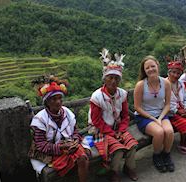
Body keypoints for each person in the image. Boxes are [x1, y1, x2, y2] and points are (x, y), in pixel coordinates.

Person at [88, 48, 138, 182]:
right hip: (101, 130)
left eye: (116, 78)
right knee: (118, 149)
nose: (113, 81)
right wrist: (111, 133)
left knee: (132, 144)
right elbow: (96, 120)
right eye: (110, 78)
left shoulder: (122, 94)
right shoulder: (97, 97)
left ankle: (129, 167)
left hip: (117, 128)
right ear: (105, 79)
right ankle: (114, 172)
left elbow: (126, 115)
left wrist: (121, 130)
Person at [28, 76, 91, 182]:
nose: (58, 102)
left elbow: (75, 131)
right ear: (47, 102)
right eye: (54, 99)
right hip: (52, 152)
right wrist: (61, 147)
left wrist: (75, 140)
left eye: (60, 98)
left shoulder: (67, 113)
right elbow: (40, 145)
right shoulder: (40, 119)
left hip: (69, 146)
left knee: (83, 158)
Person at [134, 55, 174, 173]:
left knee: (169, 131)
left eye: (153, 66)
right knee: (159, 132)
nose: (151, 69)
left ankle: (166, 154)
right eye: (147, 68)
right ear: (144, 71)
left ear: (157, 66)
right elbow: (137, 107)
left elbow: (167, 104)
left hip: (160, 113)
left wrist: (160, 118)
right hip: (144, 116)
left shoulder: (166, 83)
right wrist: (153, 118)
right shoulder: (141, 85)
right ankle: (156, 155)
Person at [166, 61, 186, 154]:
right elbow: (163, 102)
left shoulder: (181, 84)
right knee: (184, 123)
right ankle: (182, 143)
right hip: (171, 112)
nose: (175, 75)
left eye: (178, 73)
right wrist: (176, 111)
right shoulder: (163, 84)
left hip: (183, 109)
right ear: (169, 73)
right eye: (173, 72)